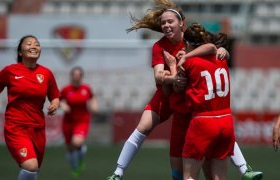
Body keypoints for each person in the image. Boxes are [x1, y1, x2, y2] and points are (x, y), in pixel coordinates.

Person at [107, 0, 263, 180]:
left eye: (170, 21)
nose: (166, 25)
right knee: (143, 127)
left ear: (182, 23)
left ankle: (245, 169)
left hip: (190, 99)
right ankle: (118, 172)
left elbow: (214, 48)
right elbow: (159, 76)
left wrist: (223, 51)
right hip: (168, 95)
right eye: (163, 22)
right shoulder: (159, 46)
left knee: (212, 128)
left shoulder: (192, 38)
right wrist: (174, 78)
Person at [0, 35, 60, 180]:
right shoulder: (10, 71)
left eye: (37, 44)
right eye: (29, 44)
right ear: (20, 52)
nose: (34, 46)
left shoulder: (46, 73)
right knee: (31, 166)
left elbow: (55, 95)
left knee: (34, 171)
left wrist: (55, 104)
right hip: (16, 127)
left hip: (38, 129)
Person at [176, 22, 235, 180]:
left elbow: (176, 88)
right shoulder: (220, 57)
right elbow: (212, 48)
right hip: (226, 121)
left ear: (188, 44)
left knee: (189, 177)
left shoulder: (188, 63)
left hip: (203, 121)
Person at [60, 66, 98, 177]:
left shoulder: (86, 88)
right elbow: (58, 100)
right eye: (74, 74)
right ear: (71, 76)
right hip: (68, 121)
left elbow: (92, 97)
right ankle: (75, 167)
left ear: (81, 76)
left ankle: (80, 151)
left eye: (79, 75)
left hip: (82, 120)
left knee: (76, 142)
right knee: (70, 148)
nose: (76, 77)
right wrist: (63, 105)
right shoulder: (66, 89)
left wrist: (95, 106)